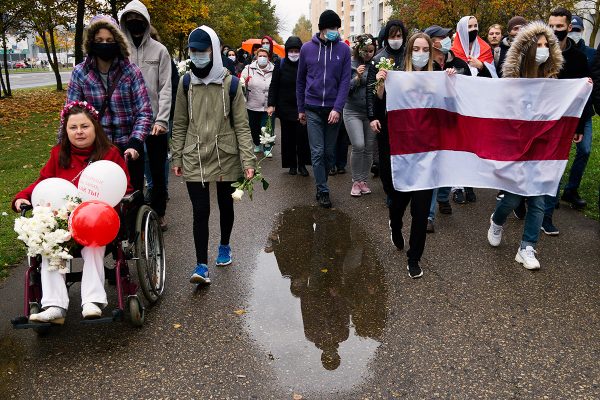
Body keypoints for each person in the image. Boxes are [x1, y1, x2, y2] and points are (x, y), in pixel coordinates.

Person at [12, 101, 133, 323]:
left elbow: (124, 188)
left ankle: (91, 300)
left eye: (84, 126)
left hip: (97, 219)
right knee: (50, 243)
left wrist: (106, 206)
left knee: (93, 244)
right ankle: (54, 305)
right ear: (65, 131)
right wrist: (23, 196)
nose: (79, 132)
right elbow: (43, 183)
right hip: (65, 220)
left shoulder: (110, 154)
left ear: (95, 127)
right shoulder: (59, 154)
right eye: (73, 127)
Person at [487, 21, 579, 270]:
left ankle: (527, 247)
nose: (543, 49)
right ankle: (497, 219)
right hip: (516, 148)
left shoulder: (553, 80)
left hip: (542, 148)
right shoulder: (511, 81)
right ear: (526, 49)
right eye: (538, 45)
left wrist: (581, 90)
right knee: (513, 198)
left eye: (546, 45)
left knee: (538, 199)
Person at [171, 26, 256, 284]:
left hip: (226, 156)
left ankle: (224, 245)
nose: (198, 56)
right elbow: (179, 123)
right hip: (194, 154)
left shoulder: (230, 84)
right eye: (193, 51)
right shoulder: (186, 83)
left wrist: (248, 160)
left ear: (214, 51)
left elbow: (242, 125)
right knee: (200, 210)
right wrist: (176, 156)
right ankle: (200, 266)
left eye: (203, 51)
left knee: (225, 204)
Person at [372, 32, 456, 278]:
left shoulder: (437, 79)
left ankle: (414, 257)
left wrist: (450, 84)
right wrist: (380, 84)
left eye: (425, 49)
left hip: (428, 154)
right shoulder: (396, 77)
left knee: (421, 211)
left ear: (431, 53)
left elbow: (450, 112)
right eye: (416, 49)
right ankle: (394, 224)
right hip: (402, 153)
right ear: (409, 53)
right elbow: (379, 108)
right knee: (399, 202)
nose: (420, 53)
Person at [66, 14, 153, 192]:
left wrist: (136, 142)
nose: (104, 44)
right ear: (91, 42)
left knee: (131, 197)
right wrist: (64, 145)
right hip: (95, 149)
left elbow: (144, 111)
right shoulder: (80, 73)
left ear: (117, 41)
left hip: (128, 147)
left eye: (109, 40)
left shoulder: (131, 71)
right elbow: (70, 113)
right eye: (99, 40)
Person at [119, 0, 171, 231]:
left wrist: (161, 119)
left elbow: (166, 87)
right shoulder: (121, 51)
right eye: (129, 21)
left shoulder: (160, 51)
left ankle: (159, 213)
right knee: (133, 174)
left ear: (147, 22)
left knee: (158, 172)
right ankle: (136, 217)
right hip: (130, 124)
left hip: (155, 123)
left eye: (138, 20)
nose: (134, 25)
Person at [296, 9, 351, 208]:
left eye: (336, 27)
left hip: (333, 109)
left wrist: (337, 108)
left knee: (329, 154)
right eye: (330, 27)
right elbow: (300, 80)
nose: (334, 31)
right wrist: (301, 108)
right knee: (317, 152)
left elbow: (345, 82)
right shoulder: (307, 49)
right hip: (312, 108)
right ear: (321, 28)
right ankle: (323, 189)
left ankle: (322, 182)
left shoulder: (344, 50)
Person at [544, 7, 591, 234]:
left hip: (567, 120)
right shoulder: (541, 53)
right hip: (543, 119)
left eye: (559, 27)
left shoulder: (579, 59)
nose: (554, 31)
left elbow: (582, 96)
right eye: (551, 26)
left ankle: (547, 215)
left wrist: (579, 126)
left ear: (569, 28)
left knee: (556, 165)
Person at [423, 25, 472, 232]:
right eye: (441, 37)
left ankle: (444, 197)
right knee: (435, 165)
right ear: (432, 41)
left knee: (448, 162)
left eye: (447, 36)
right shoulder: (425, 66)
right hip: (432, 122)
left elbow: (472, 88)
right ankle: (429, 215)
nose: (446, 39)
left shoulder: (459, 64)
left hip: (453, 120)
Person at [367, 20, 408, 199]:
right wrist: (372, 117)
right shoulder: (378, 59)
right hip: (384, 114)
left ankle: (403, 186)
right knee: (385, 156)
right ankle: (389, 190)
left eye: (399, 36)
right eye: (392, 36)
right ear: (386, 38)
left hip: (406, 114)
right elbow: (370, 91)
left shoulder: (409, 57)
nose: (396, 39)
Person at [560, 14, 596, 210]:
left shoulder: (590, 54)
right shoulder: (558, 52)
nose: (573, 33)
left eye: (576, 29)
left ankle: (571, 189)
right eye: (570, 29)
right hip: (564, 111)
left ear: (581, 31)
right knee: (559, 151)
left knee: (585, 149)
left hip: (585, 112)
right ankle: (552, 192)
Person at [267, 36, 311, 176]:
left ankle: (302, 164)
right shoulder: (280, 64)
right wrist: (271, 104)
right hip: (285, 107)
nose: (293, 53)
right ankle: (291, 164)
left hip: (301, 107)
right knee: (288, 138)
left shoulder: (305, 64)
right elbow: (274, 85)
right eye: (291, 50)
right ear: (286, 51)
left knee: (302, 137)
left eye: (296, 50)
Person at [344, 34, 377, 197]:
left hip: (370, 113)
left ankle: (364, 180)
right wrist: (356, 77)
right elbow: (345, 91)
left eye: (371, 50)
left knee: (368, 148)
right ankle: (356, 181)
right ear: (359, 49)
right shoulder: (350, 64)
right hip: (352, 111)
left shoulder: (376, 64)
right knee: (358, 145)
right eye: (365, 50)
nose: (369, 54)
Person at [241, 47, 275, 157]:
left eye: (265, 56)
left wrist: (274, 104)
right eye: (260, 56)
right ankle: (257, 143)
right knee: (254, 127)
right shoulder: (248, 68)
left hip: (267, 105)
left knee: (267, 127)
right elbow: (242, 79)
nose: (262, 58)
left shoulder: (274, 69)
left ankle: (267, 147)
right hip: (252, 104)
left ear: (268, 58)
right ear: (256, 57)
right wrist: (242, 82)